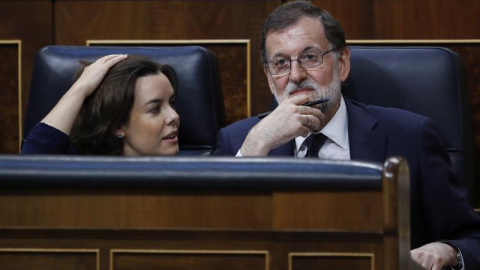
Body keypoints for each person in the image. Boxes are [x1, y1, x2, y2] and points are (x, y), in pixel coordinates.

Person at [214, 1, 480, 269]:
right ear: (270, 78)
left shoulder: (410, 136)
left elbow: (472, 239)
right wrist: (255, 147)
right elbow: (211, 245)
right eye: (281, 63)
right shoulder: (238, 143)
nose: (295, 75)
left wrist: (447, 250)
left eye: (310, 57)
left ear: (341, 63)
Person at [22, 54, 180, 156]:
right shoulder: (82, 171)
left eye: (172, 103)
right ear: (118, 126)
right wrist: (80, 89)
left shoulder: (190, 176)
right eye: (155, 109)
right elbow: (30, 166)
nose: (174, 116)